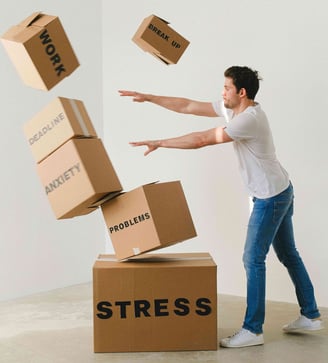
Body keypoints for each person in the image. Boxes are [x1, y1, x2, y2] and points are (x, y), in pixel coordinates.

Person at [118, 66, 323, 348]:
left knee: (253, 259)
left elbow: (203, 139)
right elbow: (189, 106)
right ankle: (311, 315)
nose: (222, 92)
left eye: (226, 87)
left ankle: (253, 330)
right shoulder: (235, 110)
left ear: (242, 93)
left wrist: (160, 142)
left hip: (270, 198)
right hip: (280, 189)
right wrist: (150, 97)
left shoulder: (248, 120)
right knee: (288, 253)